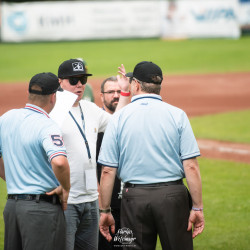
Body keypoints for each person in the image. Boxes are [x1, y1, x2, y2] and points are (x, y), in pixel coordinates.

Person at [98, 61, 205, 250]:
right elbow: (191, 166)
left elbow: (107, 170)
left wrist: (105, 210)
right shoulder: (177, 114)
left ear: (136, 85)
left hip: (133, 199)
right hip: (173, 197)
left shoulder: (118, 118)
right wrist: (197, 207)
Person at [57, 59, 130, 250]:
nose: (79, 84)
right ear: (60, 82)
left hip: (90, 199)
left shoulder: (90, 109)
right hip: (67, 201)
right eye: (73, 80)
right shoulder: (53, 113)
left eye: (82, 79)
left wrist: (124, 92)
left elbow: (117, 122)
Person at [0, 72, 71, 250]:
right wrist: (65, 188)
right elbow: (60, 162)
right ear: (53, 97)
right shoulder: (47, 124)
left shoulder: (6, 118)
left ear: (28, 92)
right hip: (41, 211)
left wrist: (16, 180)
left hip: (12, 208)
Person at [96, 76, 122, 249]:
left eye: (119, 91)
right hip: (103, 206)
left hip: (129, 205)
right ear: (101, 96)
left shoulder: (129, 123)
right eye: (111, 92)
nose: (116, 95)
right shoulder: (94, 126)